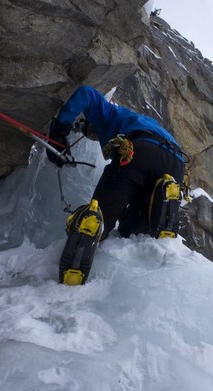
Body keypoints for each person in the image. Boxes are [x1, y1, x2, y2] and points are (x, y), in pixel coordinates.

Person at [47, 85, 186, 284]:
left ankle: (75, 269)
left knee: (100, 217)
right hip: (176, 164)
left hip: (140, 149)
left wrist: (59, 131)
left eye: (90, 132)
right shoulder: (148, 122)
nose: (94, 137)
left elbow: (86, 93)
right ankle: (162, 201)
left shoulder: (112, 113)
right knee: (132, 232)